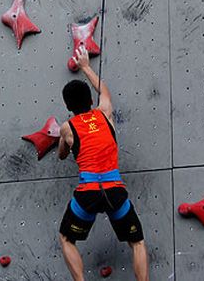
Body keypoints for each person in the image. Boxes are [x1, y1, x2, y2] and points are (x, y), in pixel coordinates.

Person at [57, 46, 149, 281]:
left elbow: (62, 155)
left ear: (68, 108)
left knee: (67, 239)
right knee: (137, 242)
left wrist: (64, 143)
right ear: (90, 100)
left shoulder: (67, 127)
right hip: (114, 191)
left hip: (87, 193)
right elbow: (105, 92)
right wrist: (86, 66)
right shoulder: (105, 113)